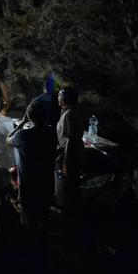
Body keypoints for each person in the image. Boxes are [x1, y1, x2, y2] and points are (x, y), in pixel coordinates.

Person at [7, 100, 57, 231]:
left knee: (28, 216)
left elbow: (7, 139)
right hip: (46, 179)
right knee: (43, 212)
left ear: (29, 116)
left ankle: (30, 241)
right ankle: (44, 241)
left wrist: (22, 123)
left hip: (28, 181)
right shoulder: (51, 133)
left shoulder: (23, 135)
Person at [55, 86, 85, 227]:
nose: (57, 98)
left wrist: (66, 163)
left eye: (60, 95)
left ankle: (69, 222)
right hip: (70, 155)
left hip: (67, 157)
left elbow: (70, 141)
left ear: (65, 99)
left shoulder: (69, 115)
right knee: (71, 187)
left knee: (65, 189)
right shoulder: (69, 111)